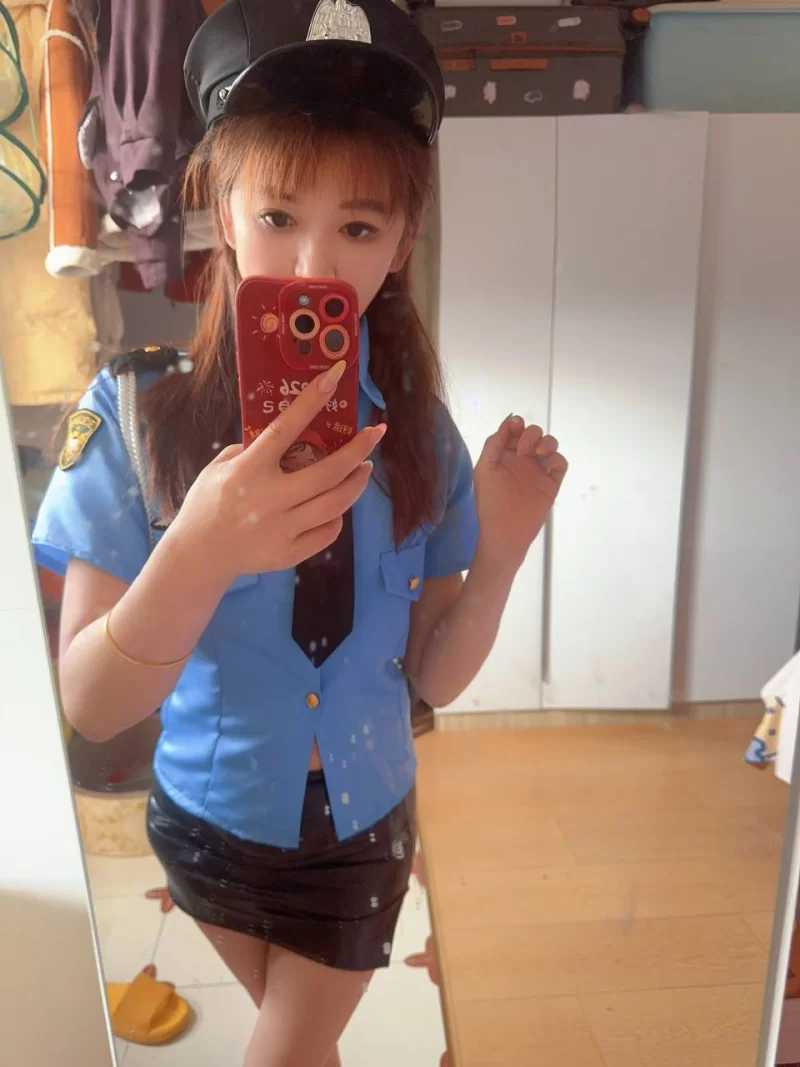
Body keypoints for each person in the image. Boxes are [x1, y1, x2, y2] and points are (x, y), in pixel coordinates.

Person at [31, 2, 568, 1065]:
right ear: (222, 210)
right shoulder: (134, 421)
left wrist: (501, 551)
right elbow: (90, 702)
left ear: (402, 242)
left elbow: (432, 676)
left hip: (363, 825)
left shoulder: (416, 432)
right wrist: (198, 550)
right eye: (278, 214)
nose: (313, 262)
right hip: (206, 823)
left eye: (357, 228)